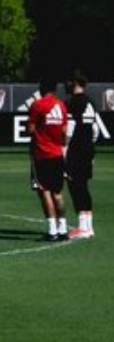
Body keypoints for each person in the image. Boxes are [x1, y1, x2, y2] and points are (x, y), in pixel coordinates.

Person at [28, 76, 70, 241]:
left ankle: (52, 230)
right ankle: (63, 229)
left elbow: (31, 129)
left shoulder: (38, 105)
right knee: (58, 193)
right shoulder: (61, 105)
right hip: (57, 154)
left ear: (41, 89)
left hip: (41, 154)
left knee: (44, 191)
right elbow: (65, 132)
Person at [65, 72, 97, 239]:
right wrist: (89, 145)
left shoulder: (73, 102)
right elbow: (95, 130)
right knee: (83, 185)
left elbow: (69, 130)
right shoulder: (90, 101)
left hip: (76, 150)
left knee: (75, 186)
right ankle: (88, 226)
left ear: (75, 83)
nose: (66, 85)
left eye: (68, 82)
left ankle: (83, 227)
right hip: (88, 149)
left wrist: (64, 149)